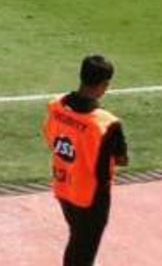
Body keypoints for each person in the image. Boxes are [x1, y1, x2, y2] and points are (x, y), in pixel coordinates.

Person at [44, 55, 127, 266]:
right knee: (83, 250)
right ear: (104, 85)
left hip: (64, 187)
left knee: (77, 239)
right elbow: (121, 159)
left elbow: (50, 137)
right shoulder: (106, 124)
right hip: (91, 197)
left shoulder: (57, 106)